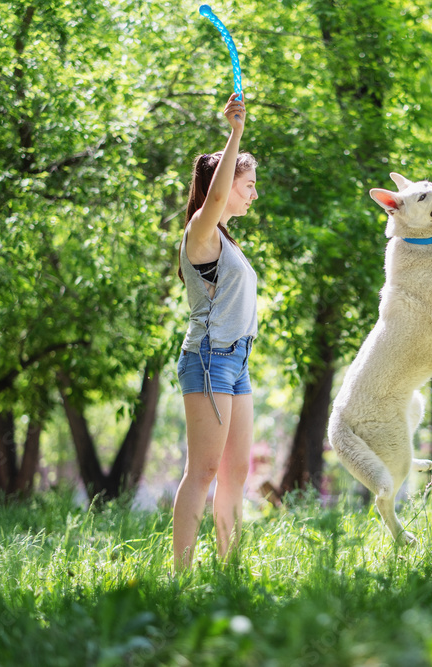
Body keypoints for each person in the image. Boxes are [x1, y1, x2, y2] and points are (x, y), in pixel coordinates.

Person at [172, 93, 260, 570]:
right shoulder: (200, 232)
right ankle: (180, 576)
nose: (252, 193)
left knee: (235, 474)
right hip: (209, 358)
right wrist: (235, 135)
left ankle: (230, 572)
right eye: (248, 184)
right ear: (224, 188)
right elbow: (213, 199)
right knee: (202, 471)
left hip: (237, 362)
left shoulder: (227, 241)